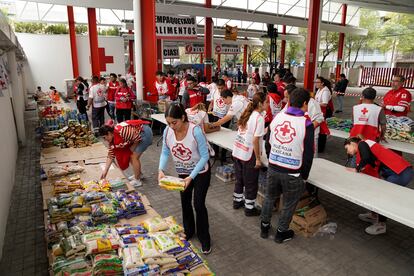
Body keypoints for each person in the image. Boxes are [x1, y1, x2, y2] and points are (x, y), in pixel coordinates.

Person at [260, 88, 315, 243]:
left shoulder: (278, 117)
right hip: (293, 172)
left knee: (270, 197)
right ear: (305, 103)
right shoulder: (306, 124)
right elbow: (308, 154)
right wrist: (304, 175)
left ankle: (264, 227)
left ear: (290, 101)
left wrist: (272, 160)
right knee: (289, 203)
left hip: (274, 166)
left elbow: (268, 142)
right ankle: (281, 232)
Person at [158, 104, 212, 254]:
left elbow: (205, 156)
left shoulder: (195, 131)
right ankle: (189, 231)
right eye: (168, 123)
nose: (171, 126)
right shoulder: (168, 131)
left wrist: (191, 176)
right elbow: (164, 152)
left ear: (183, 117)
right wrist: (160, 170)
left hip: (200, 172)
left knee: (199, 204)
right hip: (183, 172)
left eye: (174, 122)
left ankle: (204, 238)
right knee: (185, 201)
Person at [344, 137, 413, 235]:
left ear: (352, 143)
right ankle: (374, 215)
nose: (348, 152)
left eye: (347, 149)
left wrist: (357, 169)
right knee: (378, 191)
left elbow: (366, 158)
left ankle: (381, 225)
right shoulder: (367, 146)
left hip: (401, 172)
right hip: (400, 172)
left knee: (383, 195)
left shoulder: (362, 144)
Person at [233, 92, 268, 216]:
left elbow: (248, 131)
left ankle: (237, 201)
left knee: (239, 179)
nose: (268, 104)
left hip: (238, 151)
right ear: (260, 104)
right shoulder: (259, 118)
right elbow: (254, 140)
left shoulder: (249, 114)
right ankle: (249, 208)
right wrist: (258, 159)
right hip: (248, 154)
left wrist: (263, 131)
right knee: (251, 182)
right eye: (266, 102)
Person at [100, 120, 153, 187]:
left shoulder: (122, 131)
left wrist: (130, 150)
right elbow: (111, 155)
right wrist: (105, 171)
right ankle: (139, 174)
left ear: (109, 133)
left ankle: (137, 180)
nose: (105, 140)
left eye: (105, 137)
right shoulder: (112, 140)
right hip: (137, 135)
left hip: (144, 133)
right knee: (131, 155)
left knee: (133, 157)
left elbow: (137, 138)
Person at [315, 77, 334, 153]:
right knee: (320, 129)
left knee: (322, 130)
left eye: (317, 82)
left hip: (324, 111)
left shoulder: (325, 91)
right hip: (319, 111)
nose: (316, 84)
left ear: (322, 83)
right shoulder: (319, 90)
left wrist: (315, 104)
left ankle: (321, 147)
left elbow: (325, 104)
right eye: (315, 82)